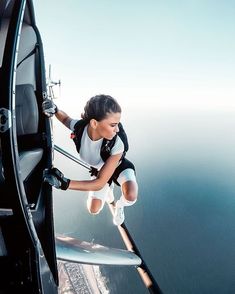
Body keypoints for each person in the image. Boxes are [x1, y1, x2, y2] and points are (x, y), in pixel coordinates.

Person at [42, 95, 138, 225]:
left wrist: (65, 183)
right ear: (94, 123)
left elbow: (99, 183)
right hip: (99, 171)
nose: (118, 129)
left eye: (118, 124)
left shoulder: (118, 143)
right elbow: (65, 119)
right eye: (113, 125)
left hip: (118, 167)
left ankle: (119, 205)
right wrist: (55, 110)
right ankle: (108, 192)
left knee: (131, 195)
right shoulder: (81, 128)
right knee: (93, 209)